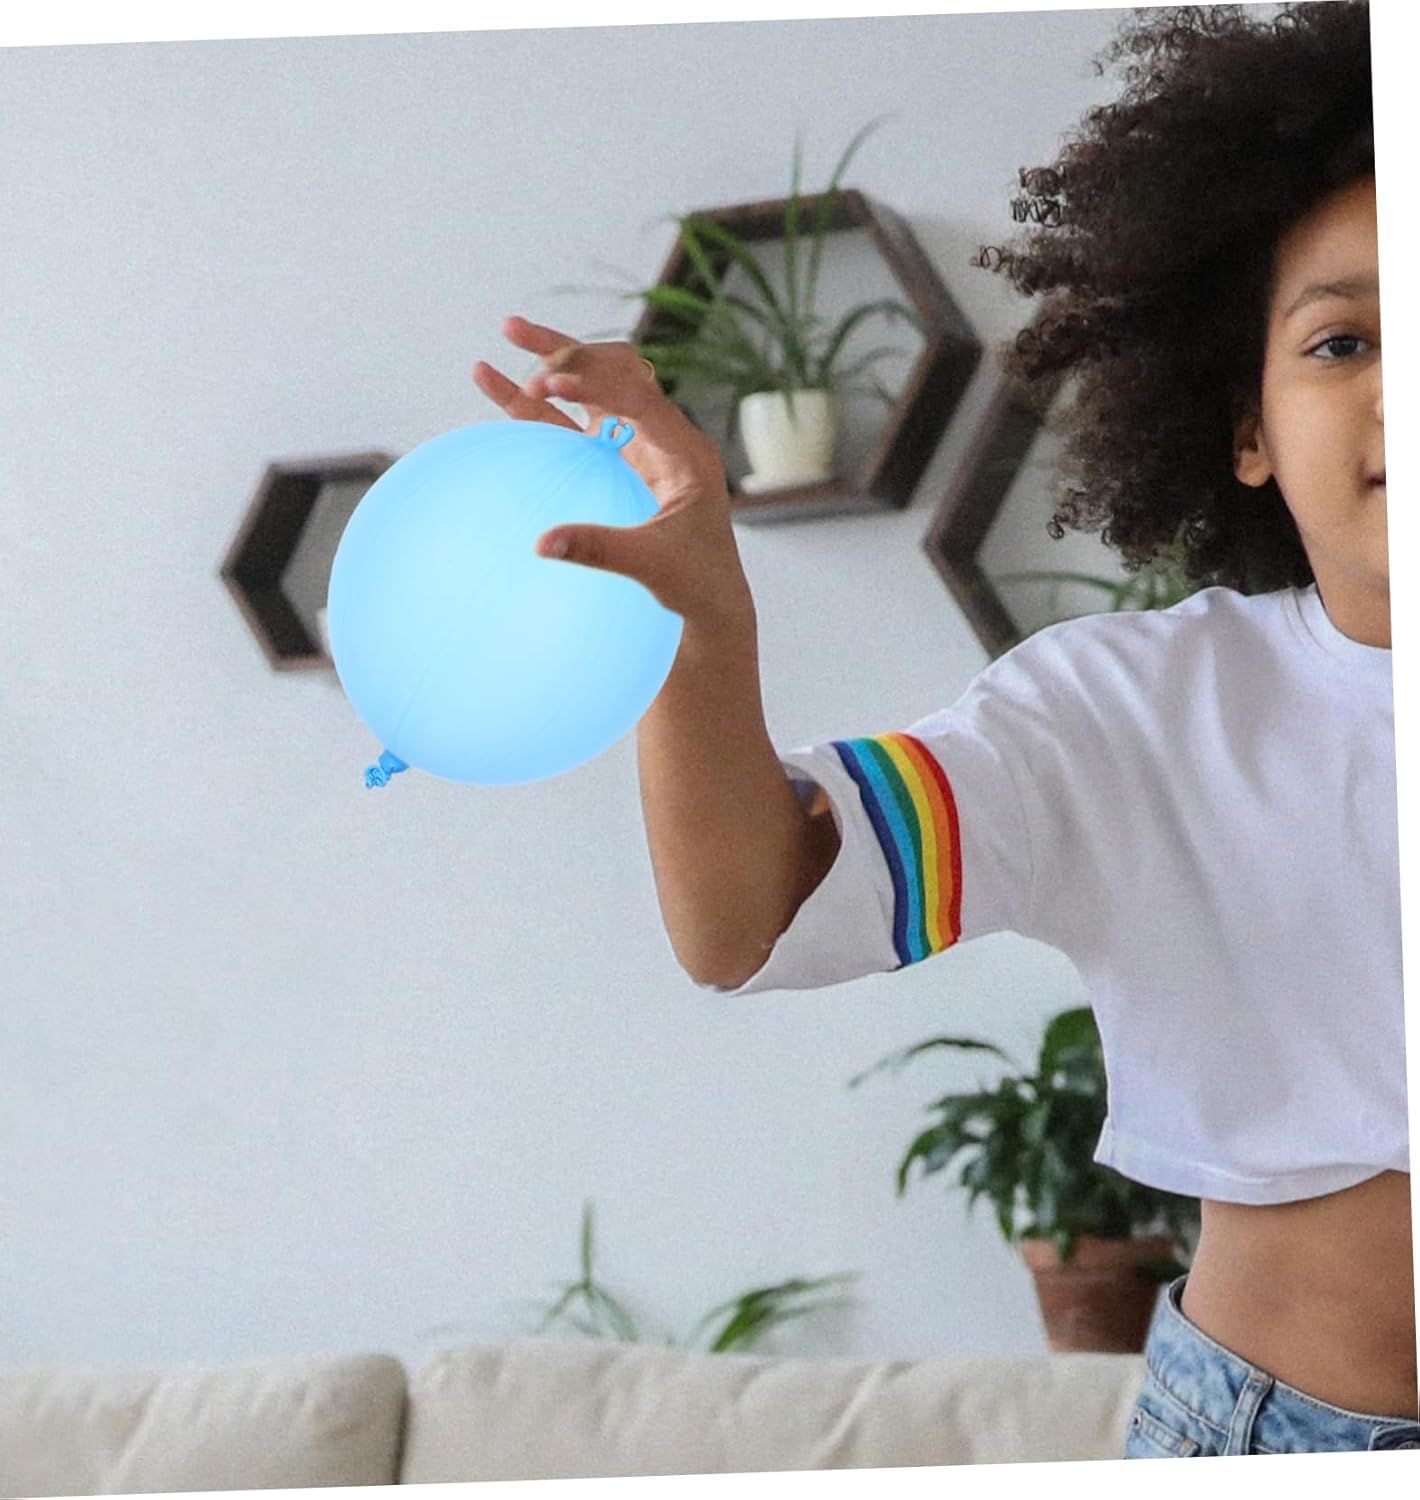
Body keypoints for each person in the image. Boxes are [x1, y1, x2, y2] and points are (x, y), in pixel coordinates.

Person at [473, 0, 1414, 1458]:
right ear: (1247, 429)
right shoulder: (1131, 716)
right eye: (1343, 341)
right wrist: (697, 642)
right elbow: (750, 917)